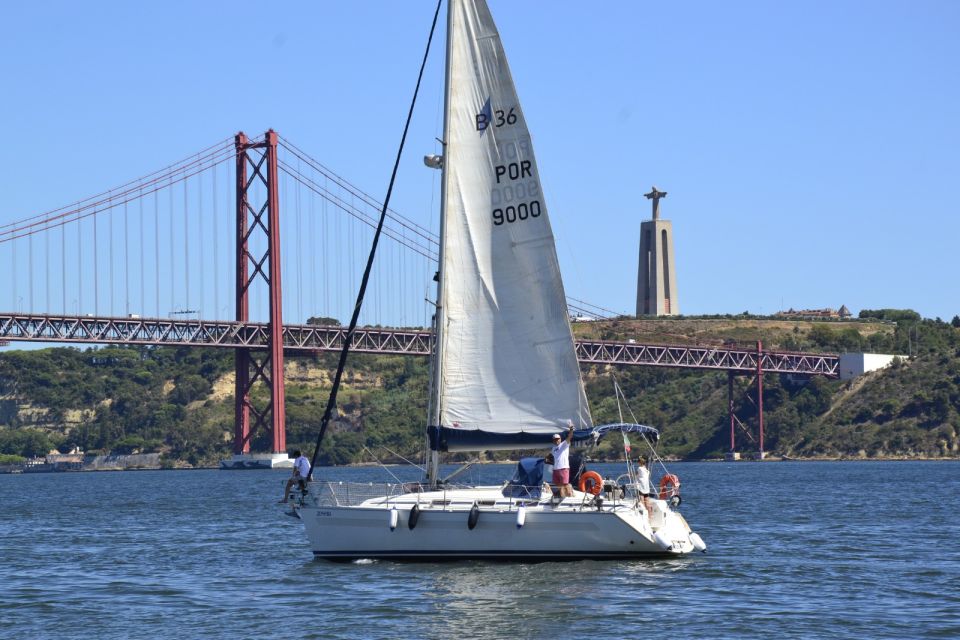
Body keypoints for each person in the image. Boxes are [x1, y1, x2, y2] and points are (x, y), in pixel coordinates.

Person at [551, 424, 575, 497]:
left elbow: (569, 437)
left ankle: (569, 495)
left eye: (557, 439)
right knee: (558, 484)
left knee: (565, 484)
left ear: (560, 439)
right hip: (556, 469)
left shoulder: (564, 444)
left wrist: (571, 430)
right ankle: (562, 495)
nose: (556, 440)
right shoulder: (553, 448)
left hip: (563, 468)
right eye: (555, 439)